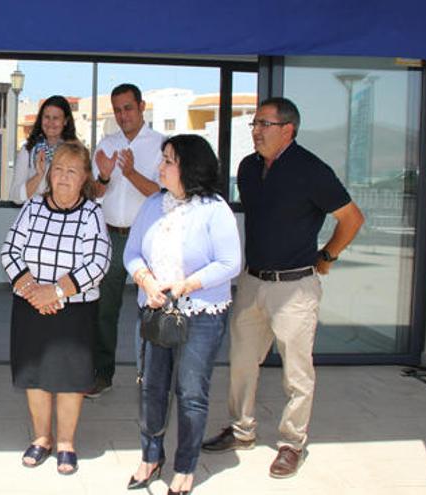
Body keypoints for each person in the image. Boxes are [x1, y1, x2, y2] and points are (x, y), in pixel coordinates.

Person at [202, 97, 365, 479]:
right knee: (242, 364)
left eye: (263, 124)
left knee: (297, 372)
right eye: (254, 124)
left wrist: (328, 255)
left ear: (287, 129)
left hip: (295, 288)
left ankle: (292, 443)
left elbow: (352, 218)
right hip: (253, 281)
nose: (255, 130)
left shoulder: (311, 170)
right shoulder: (248, 167)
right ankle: (242, 431)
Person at [123, 135, 241, 493]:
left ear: (189, 167)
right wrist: (146, 280)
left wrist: (184, 285)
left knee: (190, 392)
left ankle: (185, 466)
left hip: (201, 314)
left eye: (168, 160)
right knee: (151, 388)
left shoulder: (214, 208)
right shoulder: (151, 205)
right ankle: (150, 456)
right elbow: (131, 252)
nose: (160, 167)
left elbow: (230, 263)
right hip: (156, 310)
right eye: (162, 159)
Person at [1, 141, 110, 475]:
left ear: (84, 178)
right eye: (58, 169)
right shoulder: (32, 207)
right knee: (35, 377)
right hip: (30, 305)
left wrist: (56, 292)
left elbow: (99, 262)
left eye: (72, 171)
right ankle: (41, 438)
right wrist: (33, 290)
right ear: (49, 173)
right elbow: (9, 250)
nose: (63, 177)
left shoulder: (92, 213)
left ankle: (65, 443)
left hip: (74, 311)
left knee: (70, 380)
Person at [88, 83, 166, 398]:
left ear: (141, 106)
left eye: (128, 108)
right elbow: (93, 193)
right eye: (117, 110)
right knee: (104, 310)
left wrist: (131, 173)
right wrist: (104, 176)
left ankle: (151, 376)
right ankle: (102, 375)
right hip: (110, 236)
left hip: (148, 237)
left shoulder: (162, 144)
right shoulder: (106, 144)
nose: (123, 115)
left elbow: (163, 195)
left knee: (152, 308)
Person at [8, 95, 77, 204]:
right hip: (34, 219)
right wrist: (39, 175)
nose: (50, 123)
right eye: (46, 117)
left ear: (65, 121)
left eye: (56, 118)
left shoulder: (75, 153)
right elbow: (15, 198)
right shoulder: (28, 150)